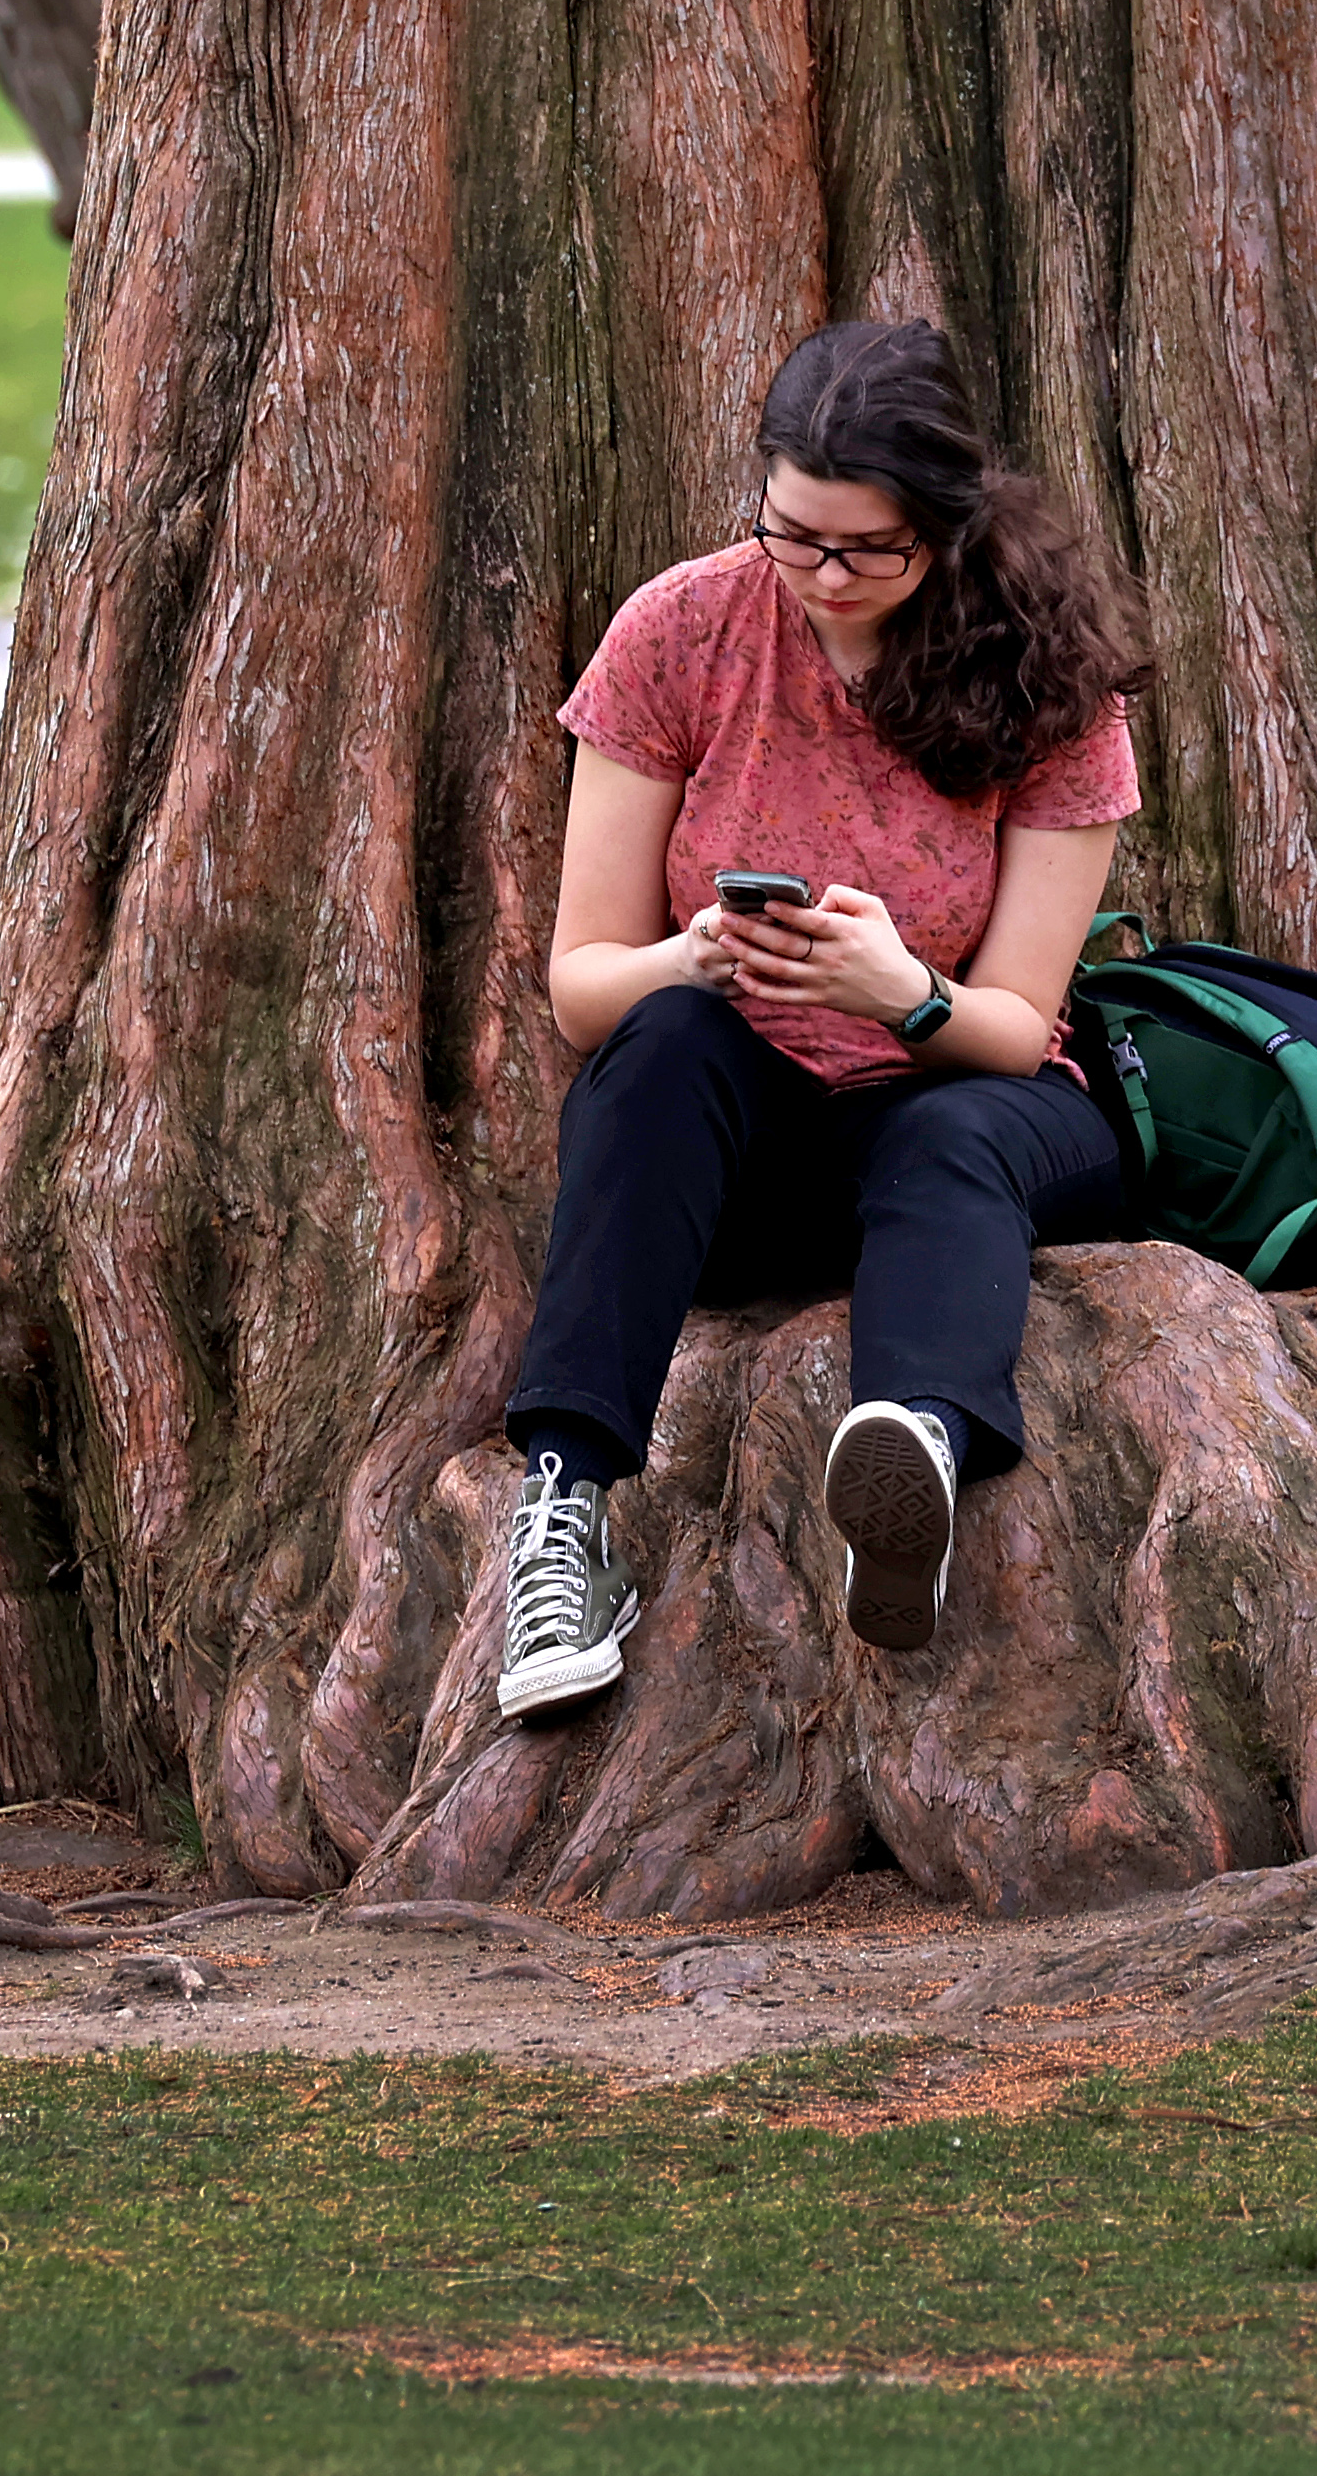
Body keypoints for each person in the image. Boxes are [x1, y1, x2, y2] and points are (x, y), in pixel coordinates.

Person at [490, 321, 1149, 1722]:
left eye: (869, 550)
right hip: (749, 1150)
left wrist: (898, 991)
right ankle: (559, 1519)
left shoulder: (1048, 680)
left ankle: (906, 1455)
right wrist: (690, 957)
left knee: (955, 1129)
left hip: (971, 1106)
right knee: (658, 1044)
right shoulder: (681, 632)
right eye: (795, 537)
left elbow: (1021, 1025)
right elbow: (578, 987)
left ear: (946, 528)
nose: (826, 578)